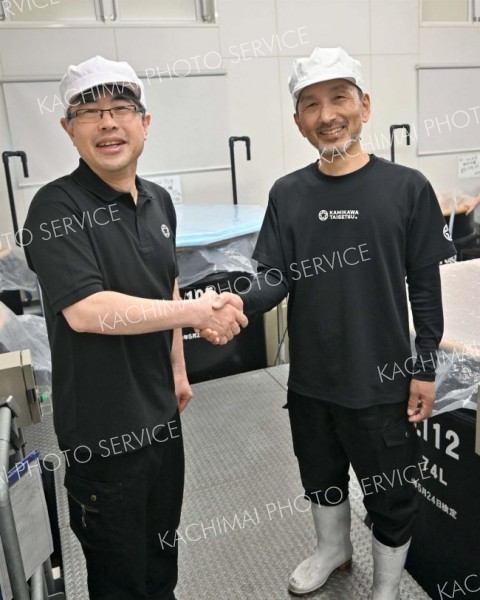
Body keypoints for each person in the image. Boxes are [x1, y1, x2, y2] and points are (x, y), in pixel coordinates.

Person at [202, 47, 457, 599]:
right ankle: (333, 550)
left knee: (391, 493)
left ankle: (385, 587)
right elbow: (273, 278)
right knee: (320, 476)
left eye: (339, 98)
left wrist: (424, 367)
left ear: (365, 105)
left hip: (382, 382)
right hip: (311, 381)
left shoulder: (406, 187)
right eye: (311, 105)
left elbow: (425, 287)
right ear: (298, 121)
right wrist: (233, 304)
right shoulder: (288, 193)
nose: (327, 115)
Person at [23, 55, 247, 600]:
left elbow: (167, 283)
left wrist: (178, 370)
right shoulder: (55, 207)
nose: (107, 122)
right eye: (89, 111)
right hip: (102, 432)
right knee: (119, 576)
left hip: (161, 418)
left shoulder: (157, 201)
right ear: (68, 129)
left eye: (121, 108)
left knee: (160, 559)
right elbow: (87, 310)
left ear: (144, 123)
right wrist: (197, 313)